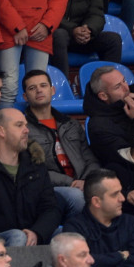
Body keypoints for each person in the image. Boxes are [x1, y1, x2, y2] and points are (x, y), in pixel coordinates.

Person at [0, 106, 62, 245]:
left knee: (67, 235)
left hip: (31, 234)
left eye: (26, 125)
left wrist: (37, 232)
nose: (26, 130)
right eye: (19, 125)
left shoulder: (35, 163)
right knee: (17, 236)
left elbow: (51, 208)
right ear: (1, 131)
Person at [23, 69, 100, 217]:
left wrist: (85, 180)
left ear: (52, 90)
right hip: (50, 187)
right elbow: (32, 168)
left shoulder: (71, 124)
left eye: (43, 85)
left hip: (82, 183)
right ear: (25, 96)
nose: (39, 90)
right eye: (32, 88)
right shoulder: (23, 128)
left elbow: (90, 158)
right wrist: (71, 182)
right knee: (77, 197)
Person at [63, 170, 134, 267]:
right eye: (115, 194)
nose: (122, 198)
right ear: (96, 202)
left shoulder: (131, 223)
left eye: (121, 192)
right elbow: (78, 266)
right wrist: (120, 256)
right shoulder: (74, 227)